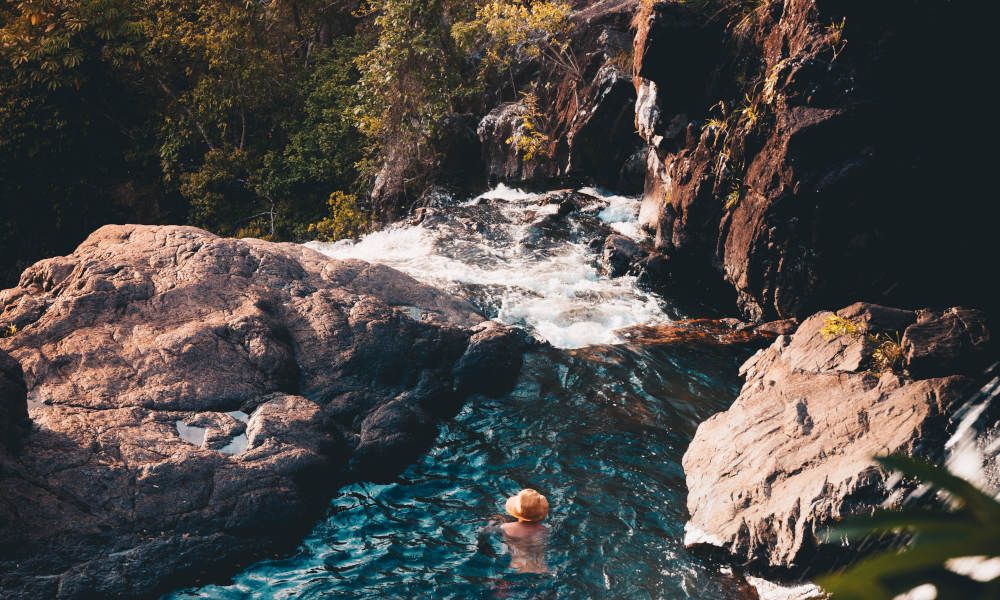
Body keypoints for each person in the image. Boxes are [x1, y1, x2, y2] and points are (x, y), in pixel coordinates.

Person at [499, 488, 549, 574]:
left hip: (518, 568)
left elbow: (485, 532)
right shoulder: (544, 530)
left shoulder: (506, 528)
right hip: (542, 569)